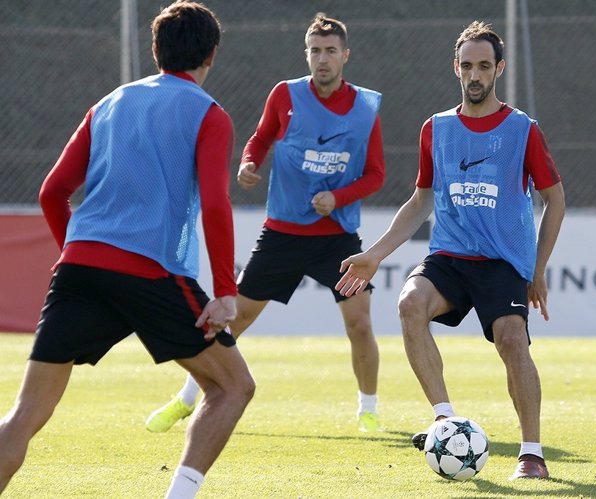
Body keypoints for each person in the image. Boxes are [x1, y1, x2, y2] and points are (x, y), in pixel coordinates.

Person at [0, 3, 255, 498]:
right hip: (151, 271)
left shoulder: (109, 102)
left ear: (156, 50)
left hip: (79, 268)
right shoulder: (209, 113)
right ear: (212, 55)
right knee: (232, 387)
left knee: (26, 414)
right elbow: (217, 204)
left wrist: (76, 253)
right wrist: (225, 290)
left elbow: (52, 193)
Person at [336, 21, 565, 480]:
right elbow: (421, 200)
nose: (474, 74)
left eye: (484, 65)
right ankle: (444, 419)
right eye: (467, 66)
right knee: (408, 303)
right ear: (455, 68)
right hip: (451, 256)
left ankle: (531, 454)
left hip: (501, 261)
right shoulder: (435, 128)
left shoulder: (522, 129)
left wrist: (538, 269)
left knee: (512, 340)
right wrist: (376, 253)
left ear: (499, 68)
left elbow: (555, 198)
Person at [145, 14, 386, 434]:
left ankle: (369, 411)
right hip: (282, 235)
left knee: (361, 325)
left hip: (337, 239)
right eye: (315, 50)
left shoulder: (365, 106)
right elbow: (260, 138)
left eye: (331, 51)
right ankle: (186, 399)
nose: (322, 59)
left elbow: (377, 174)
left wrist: (339, 198)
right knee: (232, 320)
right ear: (306, 54)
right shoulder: (285, 94)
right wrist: (249, 163)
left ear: (345, 55)